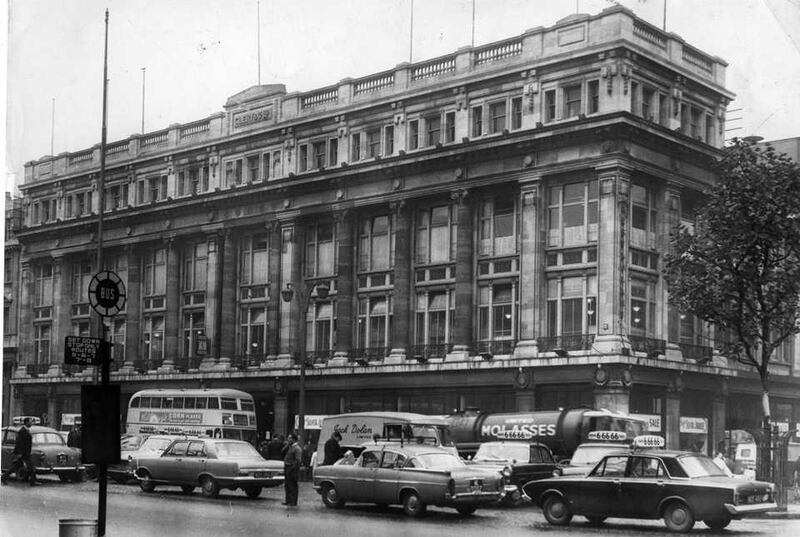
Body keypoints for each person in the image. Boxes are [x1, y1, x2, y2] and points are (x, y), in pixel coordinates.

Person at [5, 418, 38, 485]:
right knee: (31, 467)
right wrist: (19, 453)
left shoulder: (27, 430)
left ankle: (3, 477)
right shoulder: (22, 431)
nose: (31, 423)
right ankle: (33, 481)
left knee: (16, 466)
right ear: (26, 423)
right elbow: (20, 443)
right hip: (23, 453)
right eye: (30, 422)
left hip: (26, 452)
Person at [282, 433, 302, 506]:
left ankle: (293, 501)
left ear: (293, 439)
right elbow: (282, 451)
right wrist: (287, 445)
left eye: (290, 438)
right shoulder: (290, 447)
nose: (288, 439)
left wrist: (292, 468)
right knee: (287, 485)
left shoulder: (297, 448)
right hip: (287, 467)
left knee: (292, 485)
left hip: (292, 469)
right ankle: (288, 500)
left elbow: (298, 460)